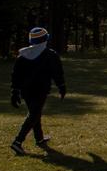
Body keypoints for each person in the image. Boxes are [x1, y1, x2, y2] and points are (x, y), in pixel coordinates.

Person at [10, 27, 66, 155]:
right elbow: (57, 73)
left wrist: (15, 91)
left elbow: (15, 75)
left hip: (26, 91)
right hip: (40, 90)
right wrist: (62, 86)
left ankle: (39, 139)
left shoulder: (23, 55)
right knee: (34, 114)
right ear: (45, 40)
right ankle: (17, 142)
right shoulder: (50, 55)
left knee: (35, 112)